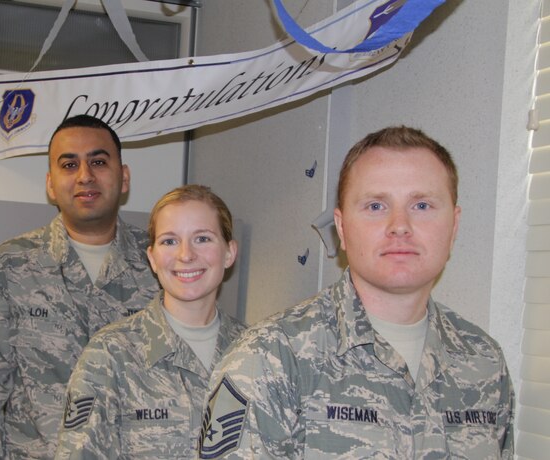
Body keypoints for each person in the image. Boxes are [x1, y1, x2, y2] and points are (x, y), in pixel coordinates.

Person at [198, 126, 514, 459]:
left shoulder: (484, 361)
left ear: (454, 226)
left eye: (422, 205)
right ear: (343, 229)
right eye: (376, 206)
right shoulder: (269, 358)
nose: (400, 225)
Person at [0, 115, 161, 458]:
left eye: (98, 161)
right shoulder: (11, 266)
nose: (85, 175)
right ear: (50, 184)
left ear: (124, 178)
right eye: (69, 164)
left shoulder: (161, 264)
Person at [55, 184, 248, 459]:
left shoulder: (257, 352)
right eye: (169, 241)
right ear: (153, 259)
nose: (186, 255)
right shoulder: (111, 354)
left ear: (229, 252)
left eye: (202, 239)